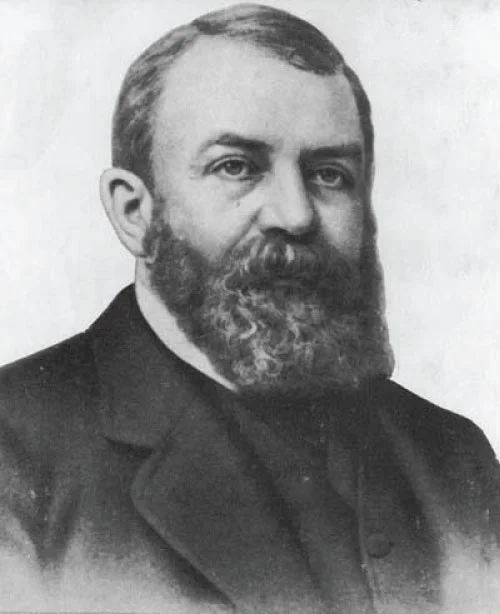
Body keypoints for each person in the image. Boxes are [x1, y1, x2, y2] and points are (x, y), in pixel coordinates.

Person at [0, 4, 499, 613]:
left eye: (329, 174)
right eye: (236, 167)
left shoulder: (452, 459)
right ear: (135, 212)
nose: (296, 214)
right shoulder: (14, 452)